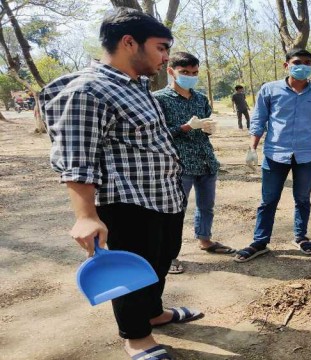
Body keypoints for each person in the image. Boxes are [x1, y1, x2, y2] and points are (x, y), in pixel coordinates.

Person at [40, 8, 203, 359]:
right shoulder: (90, 90)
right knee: (132, 270)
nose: (165, 58)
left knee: (160, 260)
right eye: (161, 48)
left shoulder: (138, 86)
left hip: (163, 194)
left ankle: (154, 313)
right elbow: (76, 157)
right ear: (129, 42)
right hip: (127, 203)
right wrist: (85, 215)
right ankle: (137, 337)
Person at [239, 48, 311, 263]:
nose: (303, 66)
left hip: (307, 154)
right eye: (298, 61)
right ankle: (260, 241)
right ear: (287, 65)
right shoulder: (269, 90)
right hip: (275, 153)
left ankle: (301, 236)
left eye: (308, 62)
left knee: (302, 199)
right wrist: (252, 149)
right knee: (268, 200)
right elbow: (258, 121)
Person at [154, 52, 234, 275]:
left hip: (206, 160)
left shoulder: (200, 99)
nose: (190, 76)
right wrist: (185, 128)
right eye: (185, 72)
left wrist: (208, 129)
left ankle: (205, 240)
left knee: (206, 206)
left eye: (195, 73)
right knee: (175, 212)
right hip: (179, 164)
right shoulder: (158, 99)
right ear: (171, 71)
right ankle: (169, 255)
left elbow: (206, 125)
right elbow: (156, 135)